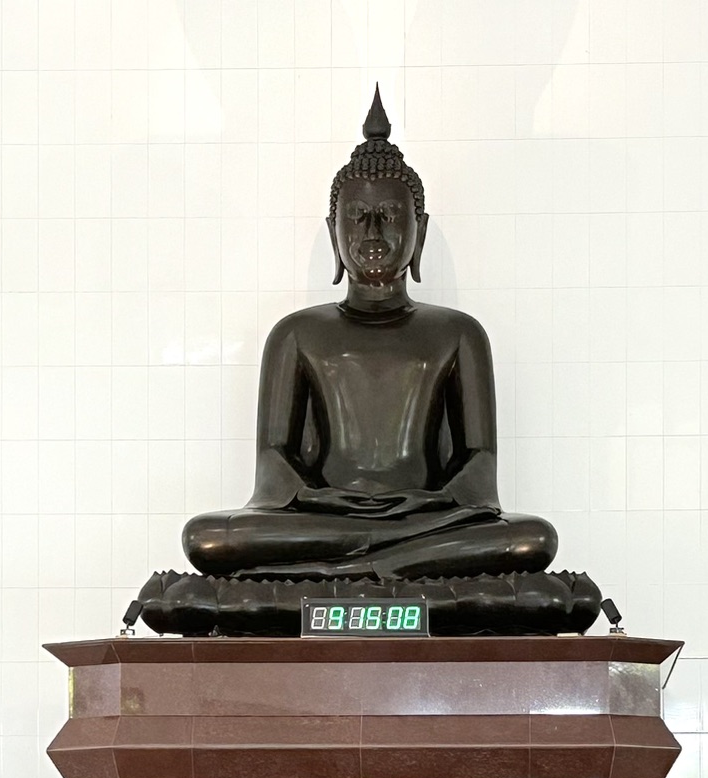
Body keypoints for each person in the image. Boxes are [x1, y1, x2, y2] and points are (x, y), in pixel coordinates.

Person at [168, 92, 557, 593]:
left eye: (390, 216)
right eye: (357, 216)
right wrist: (321, 500)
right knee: (209, 538)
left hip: (428, 517)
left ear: (420, 230)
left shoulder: (459, 333)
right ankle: (395, 566)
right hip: (324, 517)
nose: (372, 232)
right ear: (334, 231)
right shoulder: (295, 334)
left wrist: (426, 504)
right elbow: (274, 462)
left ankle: (339, 572)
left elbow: (478, 466)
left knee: (530, 539)